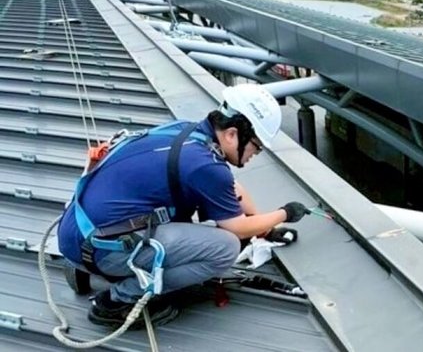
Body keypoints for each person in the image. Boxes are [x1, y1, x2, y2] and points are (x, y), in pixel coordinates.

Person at [57, 83, 311, 328]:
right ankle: (117, 301)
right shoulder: (206, 165)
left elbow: (232, 189)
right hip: (100, 247)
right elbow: (237, 228)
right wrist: (284, 213)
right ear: (232, 134)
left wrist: (262, 226)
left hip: (77, 229)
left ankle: (90, 266)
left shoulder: (186, 132)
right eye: (257, 147)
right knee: (225, 248)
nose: (255, 154)